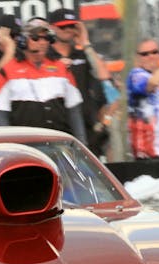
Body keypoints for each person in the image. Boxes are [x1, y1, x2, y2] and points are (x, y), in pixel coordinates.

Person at [0, 18, 86, 143]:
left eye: (46, 38)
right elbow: (0, 115)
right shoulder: (7, 71)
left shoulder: (61, 67)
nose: (42, 42)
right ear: (23, 40)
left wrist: (82, 142)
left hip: (58, 143)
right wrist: (5, 147)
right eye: (36, 38)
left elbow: (74, 111)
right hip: (23, 145)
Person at [48, 8, 109, 155]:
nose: (68, 30)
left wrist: (85, 43)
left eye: (72, 26)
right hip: (57, 126)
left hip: (86, 127)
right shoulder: (46, 55)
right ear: (52, 28)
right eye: (63, 26)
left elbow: (103, 75)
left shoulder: (82, 54)